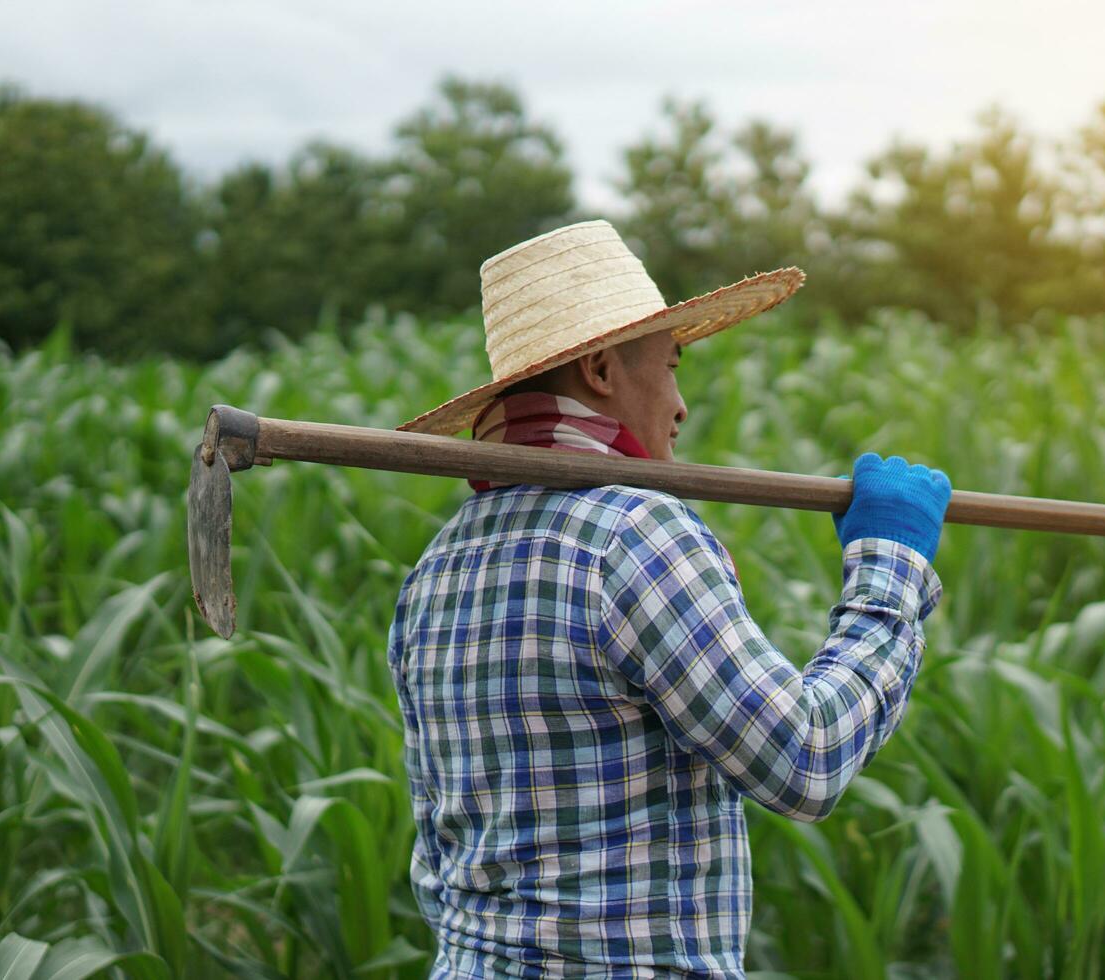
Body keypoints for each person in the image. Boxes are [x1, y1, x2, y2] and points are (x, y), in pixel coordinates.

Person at [387, 220, 950, 978]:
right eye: (670, 365)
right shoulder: (632, 530)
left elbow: (444, 842)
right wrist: (892, 567)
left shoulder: (437, 566)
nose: (680, 406)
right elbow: (804, 760)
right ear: (599, 370)